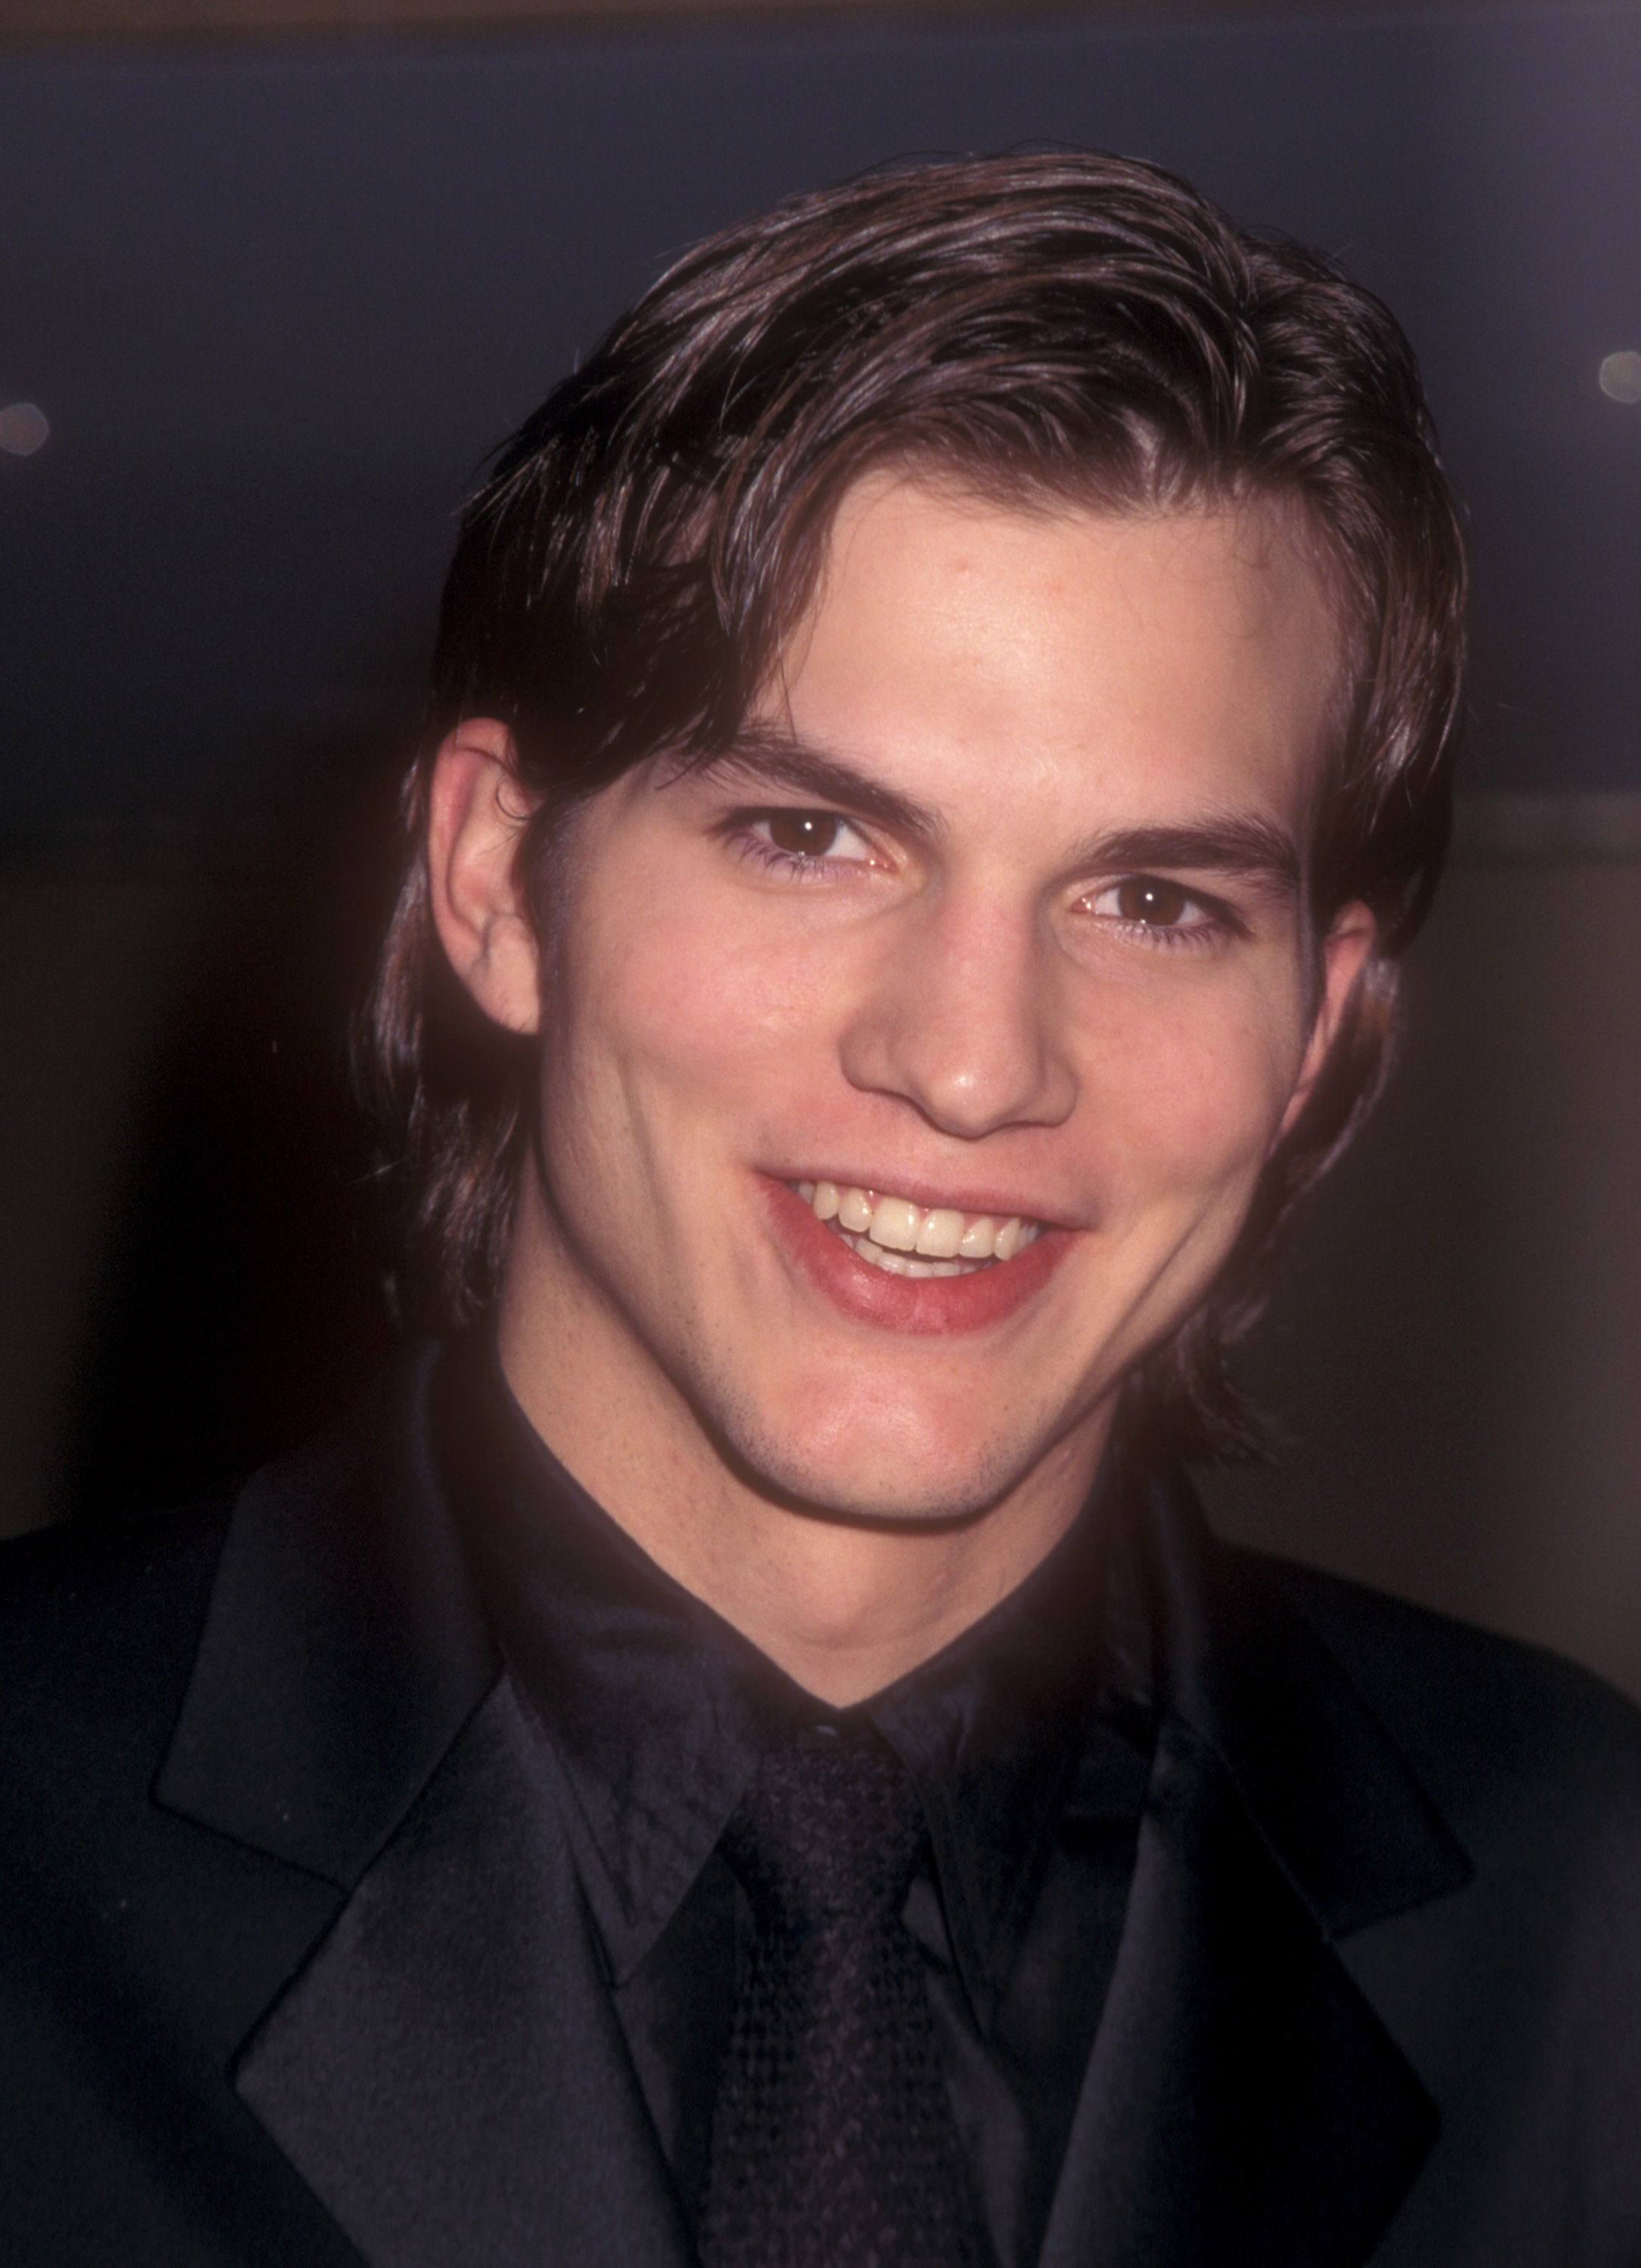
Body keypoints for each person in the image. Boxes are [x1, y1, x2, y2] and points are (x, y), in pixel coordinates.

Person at [3, 150, 1639, 2268]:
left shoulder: (1586, 1902)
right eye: (806, 834)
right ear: (497, 884)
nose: (970, 1064)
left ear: (1317, 1031)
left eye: (1150, 900)